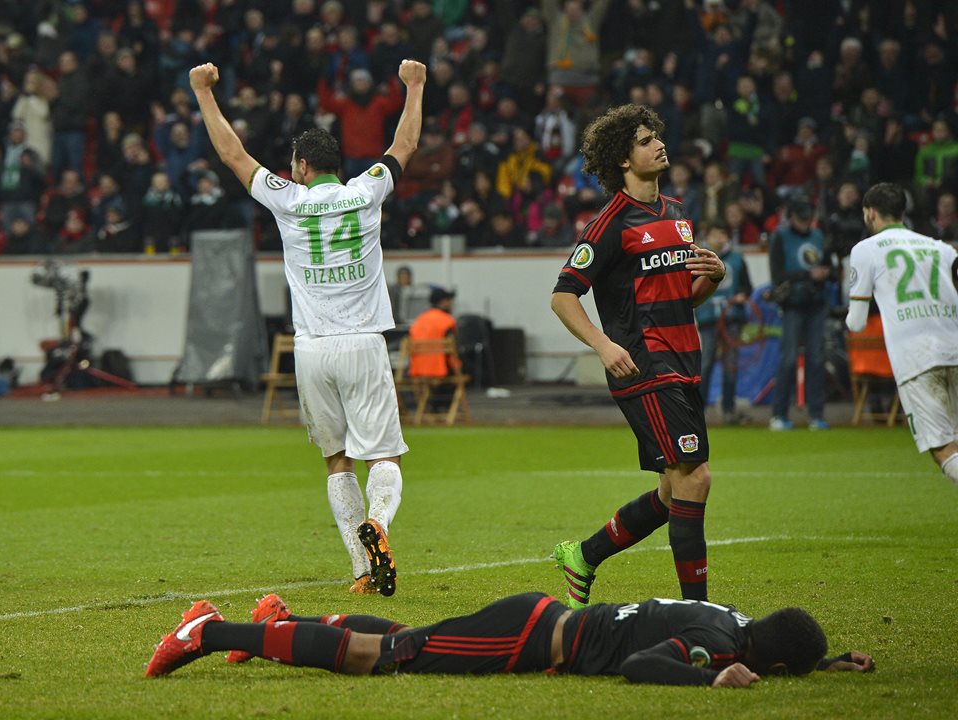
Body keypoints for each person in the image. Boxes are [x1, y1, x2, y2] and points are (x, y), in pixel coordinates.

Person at [190, 59, 425, 597]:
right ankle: (380, 529)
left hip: (312, 348)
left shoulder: (287, 199)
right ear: (336, 168)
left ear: (298, 167)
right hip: (364, 341)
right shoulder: (365, 191)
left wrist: (203, 92)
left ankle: (362, 573)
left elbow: (232, 154)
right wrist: (414, 86)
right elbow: (404, 145)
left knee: (336, 459)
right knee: (382, 454)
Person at [549, 104, 727, 609]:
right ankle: (700, 613)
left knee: (675, 493)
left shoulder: (675, 214)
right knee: (696, 477)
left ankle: (584, 555)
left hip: (685, 362)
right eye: (646, 141)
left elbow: (682, 296)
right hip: (644, 366)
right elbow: (563, 295)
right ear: (622, 160)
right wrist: (604, 346)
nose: (658, 145)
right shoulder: (608, 224)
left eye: (656, 137)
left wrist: (712, 279)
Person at [145, 590, 875, 685]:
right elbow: (646, 666)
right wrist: (710, 680)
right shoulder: (714, 650)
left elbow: (779, 648)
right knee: (386, 657)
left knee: (410, 636)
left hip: (538, 621)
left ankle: (276, 624)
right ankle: (209, 632)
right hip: (530, 639)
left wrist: (835, 662)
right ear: (766, 662)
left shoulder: (735, 621)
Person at [846, 183, 958, 485]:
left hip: (917, 359)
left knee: (943, 447)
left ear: (870, 213)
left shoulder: (866, 250)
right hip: (955, 348)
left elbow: (856, 323)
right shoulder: (943, 249)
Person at [768, 196, 833, 431]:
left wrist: (828, 273)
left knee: (816, 359)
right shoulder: (780, 237)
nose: (806, 223)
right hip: (792, 304)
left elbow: (828, 266)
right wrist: (808, 276)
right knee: (788, 360)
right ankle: (778, 414)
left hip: (816, 302)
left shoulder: (818, 236)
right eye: (801, 219)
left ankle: (816, 414)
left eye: (808, 219)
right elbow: (777, 275)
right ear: (791, 218)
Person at [695, 224, 753, 424]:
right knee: (706, 364)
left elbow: (747, 287)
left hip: (732, 318)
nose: (718, 238)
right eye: (714, 234)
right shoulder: (699, 258)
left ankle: (728, 410)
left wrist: (742, 296)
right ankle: (697, 412)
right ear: (707, 237)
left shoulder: (737, 259)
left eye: (722, 233)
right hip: (708, 318)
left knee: (731, 366)